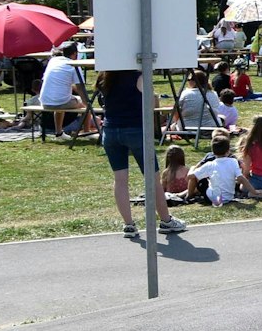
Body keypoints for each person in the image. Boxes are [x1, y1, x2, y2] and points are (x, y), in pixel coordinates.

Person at [97, 68, 187, 238]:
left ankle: (129, 224)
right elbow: (151, 104)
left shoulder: (104, 75)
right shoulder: (138, 76)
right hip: (135, 130)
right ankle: (166, 220)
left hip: (110, 130)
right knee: (152, 178)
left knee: (120, 179)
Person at [38, 42, 89, 135]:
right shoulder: (74, 65)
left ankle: (59, 132)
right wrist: (87, 104)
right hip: (61, 102)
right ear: (75, 54)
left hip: (45, 101)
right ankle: (87, 132)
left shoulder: (53, 61)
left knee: (61, 101)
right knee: (86, 104)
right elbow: (80, 88)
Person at [189, 135, 245, 205]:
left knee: (201, 180)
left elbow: (192, 174)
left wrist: (191, 169)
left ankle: (188, 196)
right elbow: (242, 171)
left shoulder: (209, 161)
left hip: (213, 198)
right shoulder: (233, 160)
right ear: (228, 150)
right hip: (228, 197)